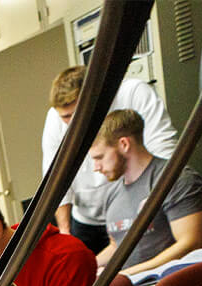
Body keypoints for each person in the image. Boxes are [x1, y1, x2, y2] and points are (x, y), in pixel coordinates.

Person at [41, 64, 179, 253]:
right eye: (65, 117)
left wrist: (154, 199)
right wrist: (65, 233)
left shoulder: (132, 93)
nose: (71, 123)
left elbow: (164, 151)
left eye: (75, 114)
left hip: (138, 208)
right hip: (87, 219)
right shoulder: (55, 120)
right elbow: (55, 179)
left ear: (92, 99)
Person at [89, 109, 202, 277]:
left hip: (166, 284)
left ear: (124, 144)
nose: (96, 167)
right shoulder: (112, 192)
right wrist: (85, 267)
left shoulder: (175, 178)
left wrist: (125, 276)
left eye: (99, 157)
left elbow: (190, 243)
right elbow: (116, 246)